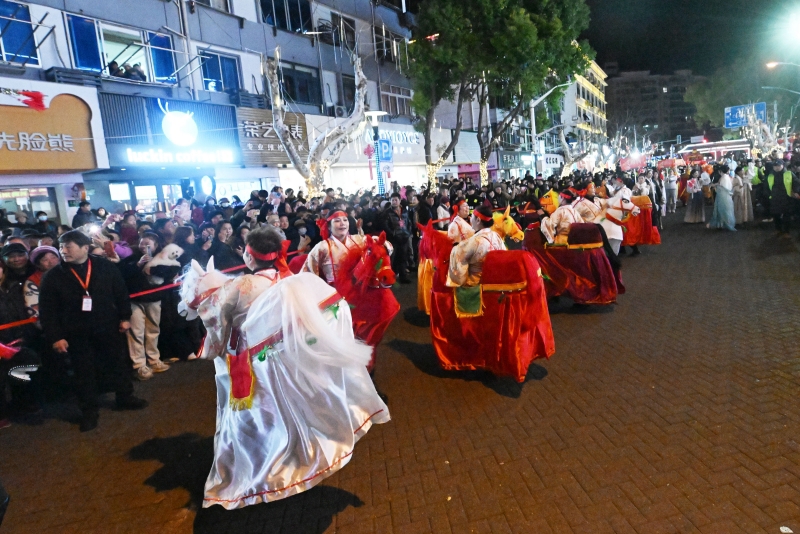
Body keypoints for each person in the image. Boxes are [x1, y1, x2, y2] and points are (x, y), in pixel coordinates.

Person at [179, 226, 389, 508]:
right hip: (287, 361)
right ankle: (298, 454)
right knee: (289, 410)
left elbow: (216, 326)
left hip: (251, 364)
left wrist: (209, 349)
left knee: (255, 418)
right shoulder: (293, 280)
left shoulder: (239, 286)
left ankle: (260, 468)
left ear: (249, 256)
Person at [39, 231, 147, 432]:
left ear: (85, 248)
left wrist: (125, 317)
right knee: (83, 372)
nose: (63, 251)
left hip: (108, 325)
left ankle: (125, 396)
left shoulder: (104, 266)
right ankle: (89, 411)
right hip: (75, 332)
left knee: (118, 363)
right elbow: (47, 311)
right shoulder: (53, 276)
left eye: (68, 246)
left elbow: (120, 291)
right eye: (61, 247)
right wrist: (56, 337)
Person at [119, 233, 178, 379]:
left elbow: (170, 273)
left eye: (148, 244)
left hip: (154, 299)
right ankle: (139, 365)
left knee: (153, 330)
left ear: (155, 246)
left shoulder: (163, 258)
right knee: (136, 332)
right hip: (134, 301)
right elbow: (122, 274)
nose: (143, 246)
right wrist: (138, 265)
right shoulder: (131, 258)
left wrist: (152, 266)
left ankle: (154, 360)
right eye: (141, 243)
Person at [763, 159, 800, 237]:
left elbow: (796, 183)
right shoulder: (770, 175)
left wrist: (796, 191)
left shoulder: (789, 173)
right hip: (774, 198)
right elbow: (766, 187)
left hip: (786, 198)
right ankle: (778, 229)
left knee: (786, 215)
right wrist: (769, 195)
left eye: (779, 166)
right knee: (775, 215)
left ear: (783, 165)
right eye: (775, 166)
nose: (777, 167)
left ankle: (786, 232)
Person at [23, 246, 60, 320]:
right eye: (45, 260)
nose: (51, 262)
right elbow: (33, 310)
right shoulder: (33, 281)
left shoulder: (68, 274)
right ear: (38, 264)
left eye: (53, 257)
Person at [707, 165, 736, 232]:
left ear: (720, 171)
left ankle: (723, 224)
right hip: (726, 196)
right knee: (726, 210)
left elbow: (720, 185)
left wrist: (712, 185)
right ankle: (724, 224)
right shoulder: (727, 177)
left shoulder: (723, 177)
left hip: (722, 196)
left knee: (722, 209)